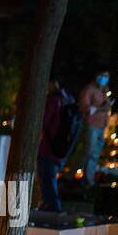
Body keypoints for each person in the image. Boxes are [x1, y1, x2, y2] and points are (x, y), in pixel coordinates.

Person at [38, 79, 77, 212]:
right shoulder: (69, 99)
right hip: (62, 147)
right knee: (50, 176)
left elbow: (44, 121)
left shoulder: (53, 100)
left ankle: (53, 207)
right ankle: (50, 205)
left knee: (47, 178)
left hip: (49, 147)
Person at [78, 71, 110, 184]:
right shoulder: (89, 90)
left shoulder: (105, 90)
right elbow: (85, 108)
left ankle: (88, 179)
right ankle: (76, 177)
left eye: (107, 76)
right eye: (102, 76)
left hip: (102, 125)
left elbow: (107, 105)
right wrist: (100, 108)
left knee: (95, 154)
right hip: (92, 124)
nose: (104, 78)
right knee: (89, 152)